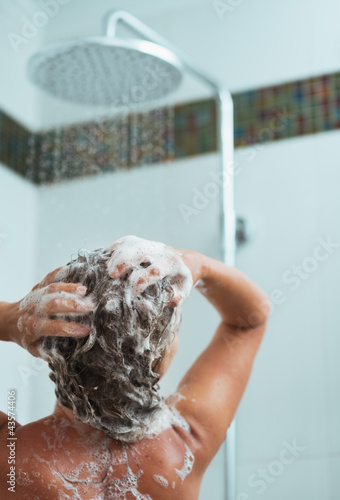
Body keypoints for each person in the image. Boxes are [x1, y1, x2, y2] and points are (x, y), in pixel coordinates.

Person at [0, 235, 270, 499]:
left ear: (51, 349)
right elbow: (250, 321)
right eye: (174, 332)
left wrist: (10, 320)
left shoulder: (10, 456)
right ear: (156, 359)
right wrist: (199, 264)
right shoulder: (187, 445)